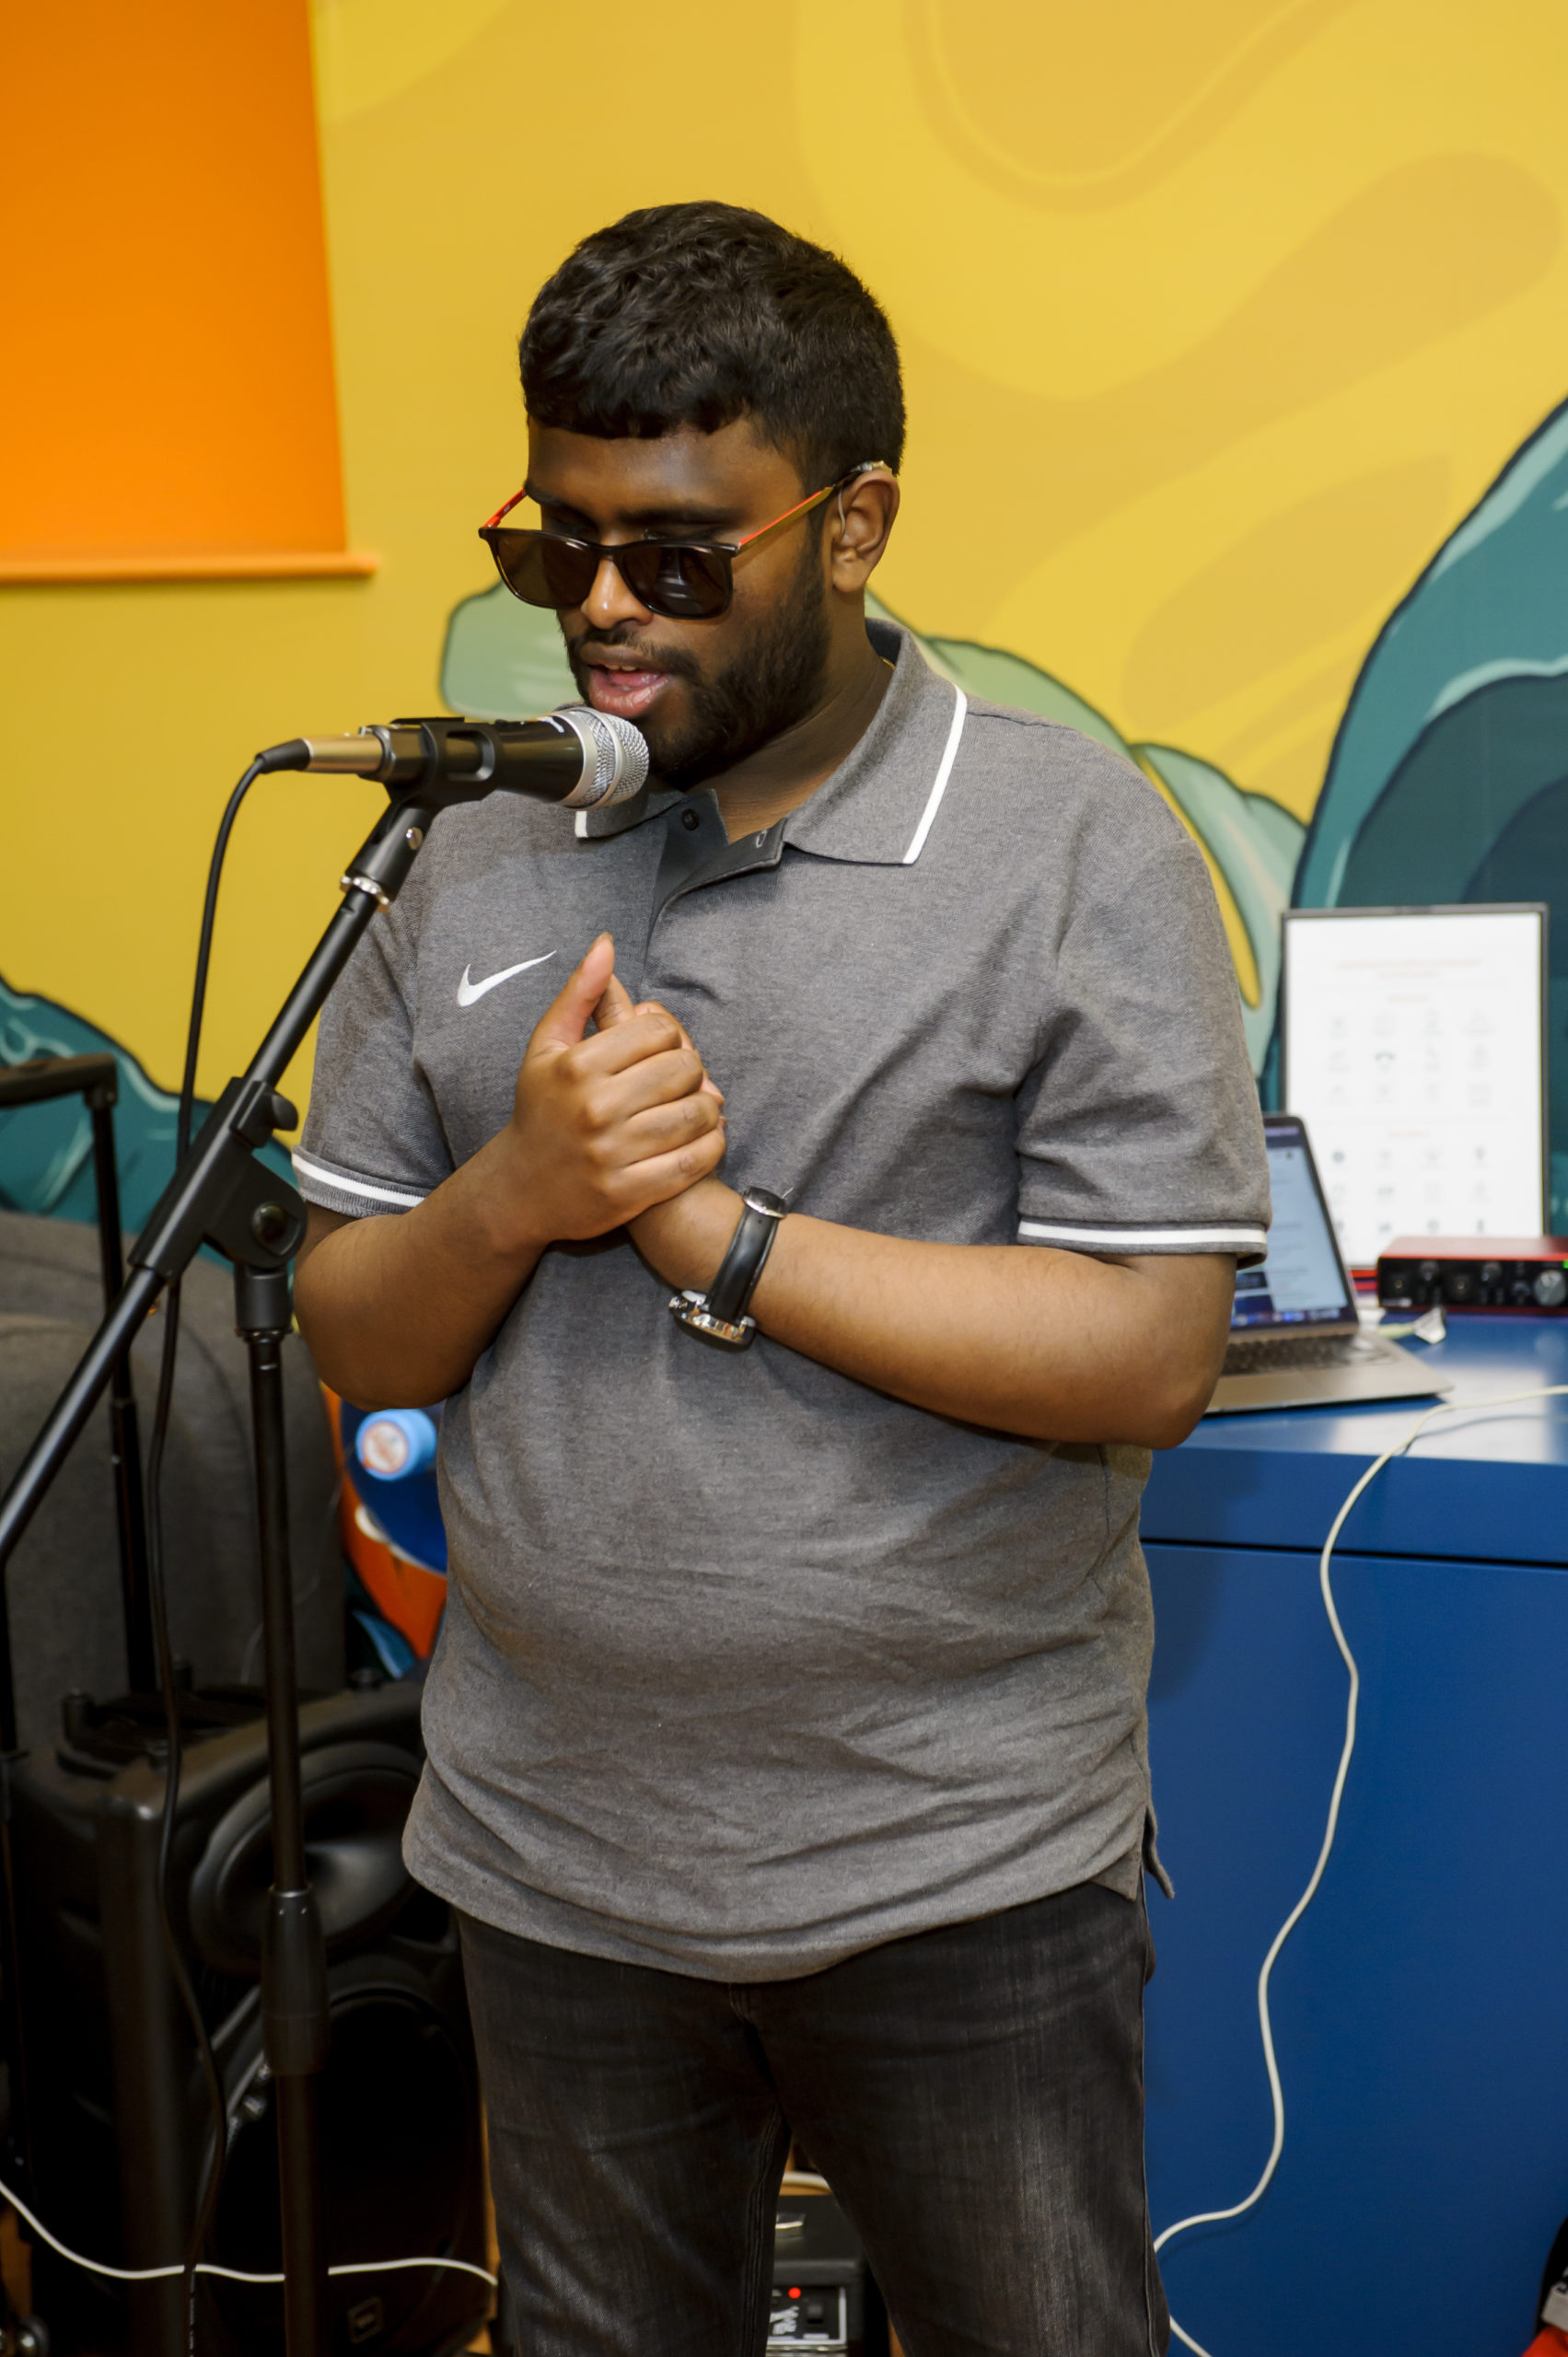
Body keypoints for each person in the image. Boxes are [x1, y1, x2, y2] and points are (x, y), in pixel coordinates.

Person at [293, 200, 1270, 2357]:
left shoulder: (1070, 843)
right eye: (556, 547)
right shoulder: (473, 843)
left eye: (674, 553)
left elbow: (1149, 1348)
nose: (602, 618)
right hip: (549, 1859)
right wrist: (519, 1192)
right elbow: (353, 1325)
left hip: (959, 1867)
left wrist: (718, 1237)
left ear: (854, 524)